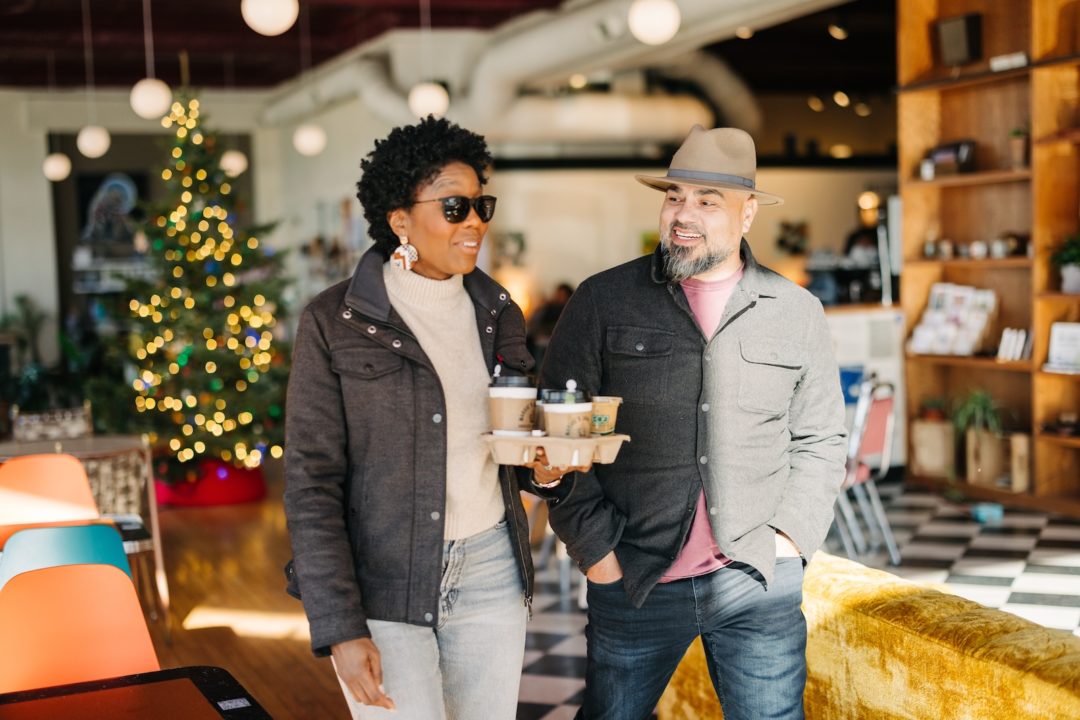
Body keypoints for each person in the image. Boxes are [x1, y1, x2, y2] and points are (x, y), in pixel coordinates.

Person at [536, 125, 848, 720]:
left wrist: (788, 543)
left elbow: (821, 438)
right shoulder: (602, 302)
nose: (684, 214)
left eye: (708, 201)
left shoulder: (797, 312)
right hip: (634, 577)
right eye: (676, 196)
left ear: (748, 213)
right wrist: (598, 552)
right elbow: (558, 435)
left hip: (756, 580)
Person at [283, 116, 569, 719]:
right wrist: (339, 625)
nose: (475, 224)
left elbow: (514, 449)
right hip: (384, 579)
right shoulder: (333, 322)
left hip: (492, 568)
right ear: (400, 220)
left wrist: (545, 468)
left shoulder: (497, 312)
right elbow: (311, 483)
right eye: (455, 207)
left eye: (481, 205)